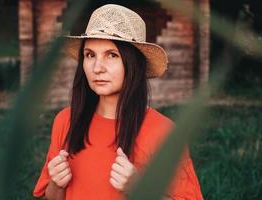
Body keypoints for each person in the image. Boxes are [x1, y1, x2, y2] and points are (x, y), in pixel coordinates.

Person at [33, 4, 203, 200]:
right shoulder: (65, 121)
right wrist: (56, 183)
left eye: (112, 55)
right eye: (90, 55)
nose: (97, 67)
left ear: (133, 63)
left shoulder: (163, 132)